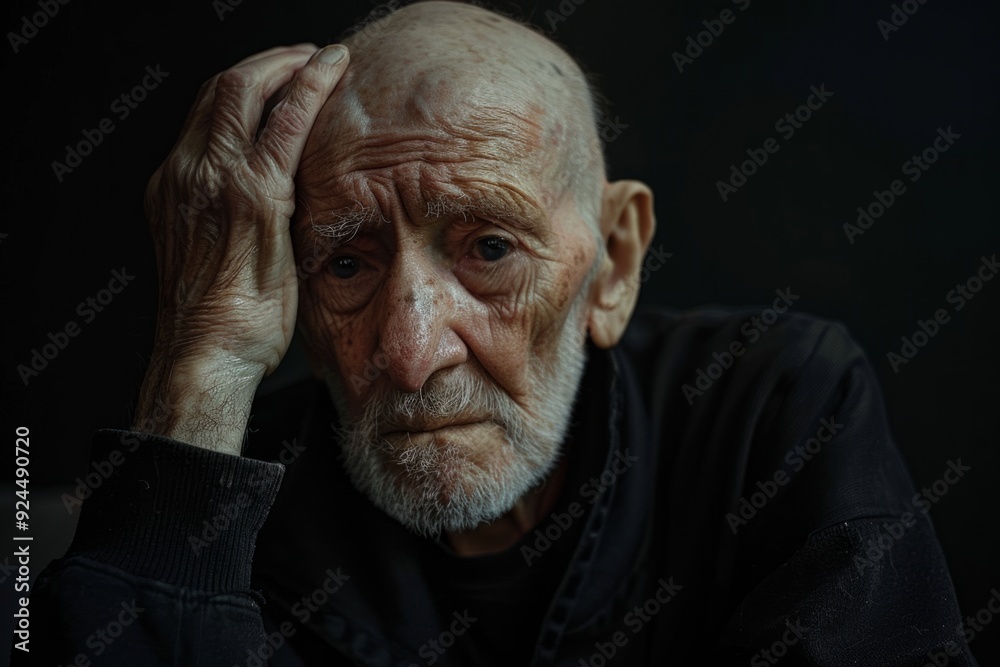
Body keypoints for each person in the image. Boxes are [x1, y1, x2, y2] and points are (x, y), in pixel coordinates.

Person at [14, 1, 979, 665]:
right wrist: (205, 361)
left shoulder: (767, 408)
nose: (411, 353)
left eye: (488, 248)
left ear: (615, 260)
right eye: (345, 263)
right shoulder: (233, 504)